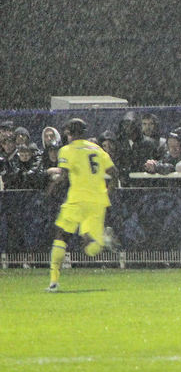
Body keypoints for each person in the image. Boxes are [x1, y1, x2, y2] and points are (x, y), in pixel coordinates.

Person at [47, 118, 118, 292]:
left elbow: (63, 176)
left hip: (77, 199)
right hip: (97, 201)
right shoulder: (97, 149)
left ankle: (54, 281)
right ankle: (103, 240)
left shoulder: (67, 150)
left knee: (61, 236)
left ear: (68, 133)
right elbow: (114, 173)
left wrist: (51, 187)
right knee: (89, 246)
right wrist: (107, 193)